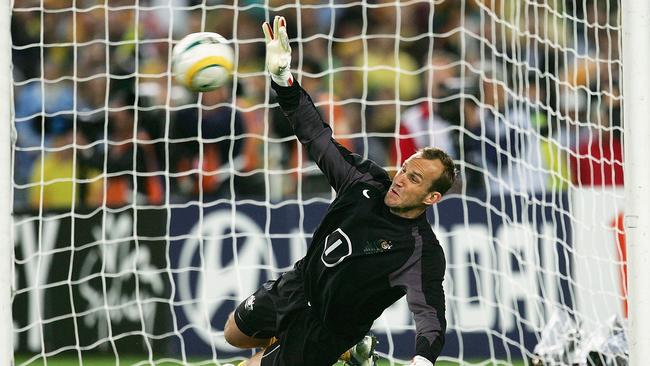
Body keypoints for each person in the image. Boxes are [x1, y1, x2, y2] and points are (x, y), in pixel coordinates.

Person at [223, 16, 454, 366]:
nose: (401, 178)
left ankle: (332, 349)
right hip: (297, 284)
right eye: (405, 169)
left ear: (431, 198)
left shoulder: (421, 250)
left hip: (326, 329)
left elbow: (431, 315)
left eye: (416, 179)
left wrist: (423, 360)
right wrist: (283, 80)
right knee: (232, 334)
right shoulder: (363, 181)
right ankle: (348, 352)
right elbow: (315, 135)